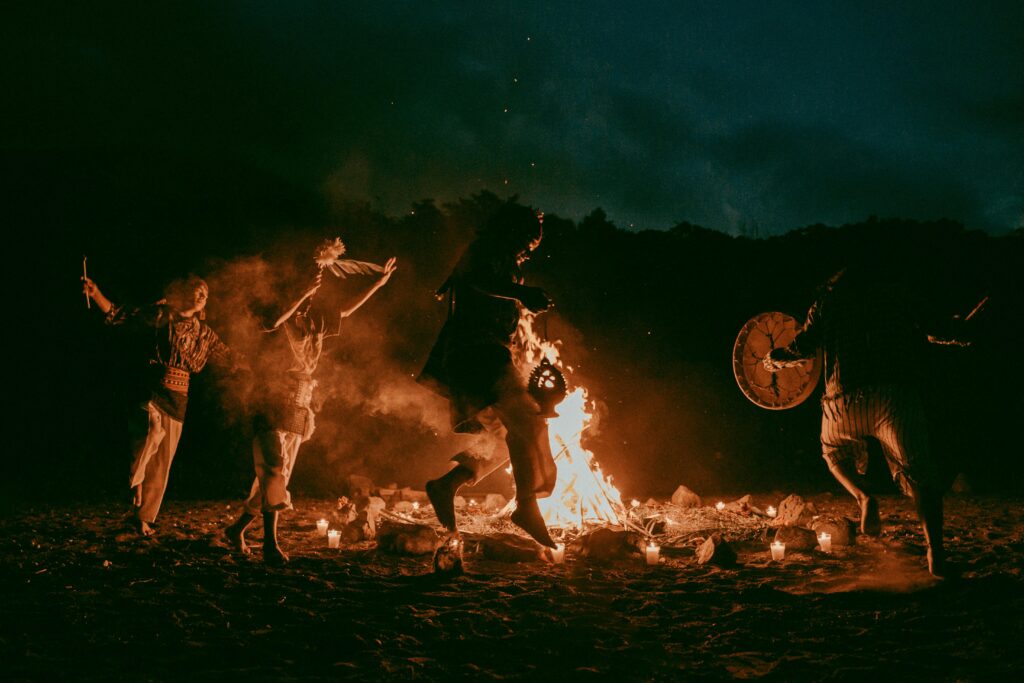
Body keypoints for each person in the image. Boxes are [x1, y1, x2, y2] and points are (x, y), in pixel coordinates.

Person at [765, 264, 950, 576]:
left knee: (832, 451)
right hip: (893, 397)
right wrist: (956, 333)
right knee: (922, 477)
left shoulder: (825, 302)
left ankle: (863, 496)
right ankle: (936, 553)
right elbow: (936, 329)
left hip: (843, 402)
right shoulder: (897, 295)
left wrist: (775, 358)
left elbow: (804, 347)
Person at [225, 248, 396, 564]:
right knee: (274, 470)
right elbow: (270, 322)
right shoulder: (274, 315)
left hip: (300, 405)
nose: (313, 294)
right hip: (270, 401)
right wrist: (303, 289)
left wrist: (377, 285)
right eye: (306, 289)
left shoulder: (313, 319)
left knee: (278, 476)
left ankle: (237, 529)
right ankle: (269, 545)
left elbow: (343, 311)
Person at [419, 202, 558, 549]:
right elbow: (476, 280)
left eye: (534, 243)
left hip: (480, 354)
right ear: (510, 230)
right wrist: (522, 293)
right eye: (527, 239)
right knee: (529, 424)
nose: (529, 247)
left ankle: (447, 484)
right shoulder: (486, 252)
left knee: (502, 442)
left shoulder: (501, 261)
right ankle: (526, 507)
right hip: (475, 353)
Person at [83, 274, 233, 536]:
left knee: (162, 462)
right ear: (185, 292)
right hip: (152, 388)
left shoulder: (206, 334)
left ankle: (142, 518)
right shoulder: (162, 315)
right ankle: (135, 482)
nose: (202, 297)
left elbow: (230, 358)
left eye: (205, 295)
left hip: (179, 397)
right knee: (150, 430)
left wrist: (264, 362)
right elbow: (122, 315)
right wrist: (96, 294)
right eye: (198, 291)